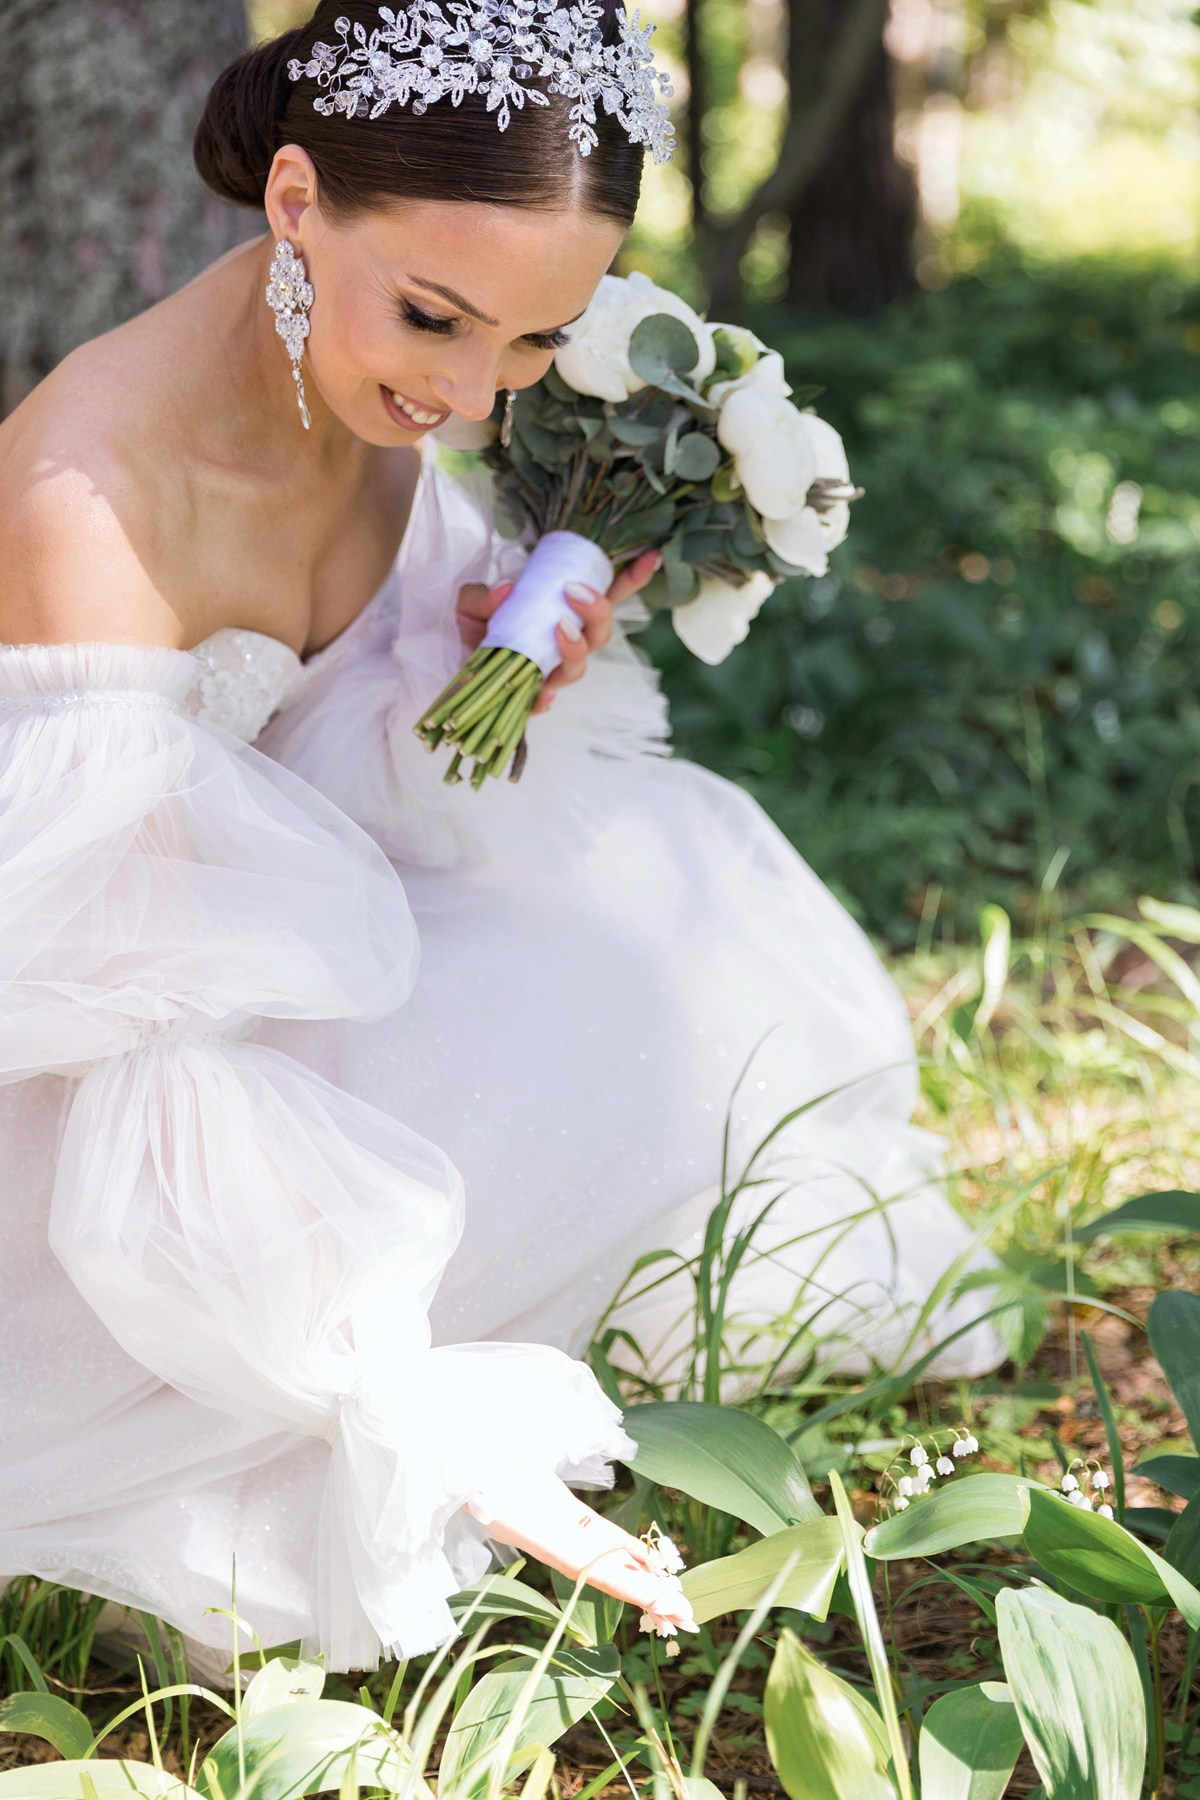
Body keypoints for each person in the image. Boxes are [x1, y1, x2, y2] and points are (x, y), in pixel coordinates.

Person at [0, 0, 998, 1676]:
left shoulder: (369, 391)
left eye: (534, 344)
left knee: (670, 923)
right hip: (92, 1065)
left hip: (271, 970)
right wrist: (389, 1393)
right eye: (438, 318)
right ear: (298, 201)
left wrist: (478, 677)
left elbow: (354, 791)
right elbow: (142, 1052)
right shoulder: (86, 500)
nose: (467, 393)